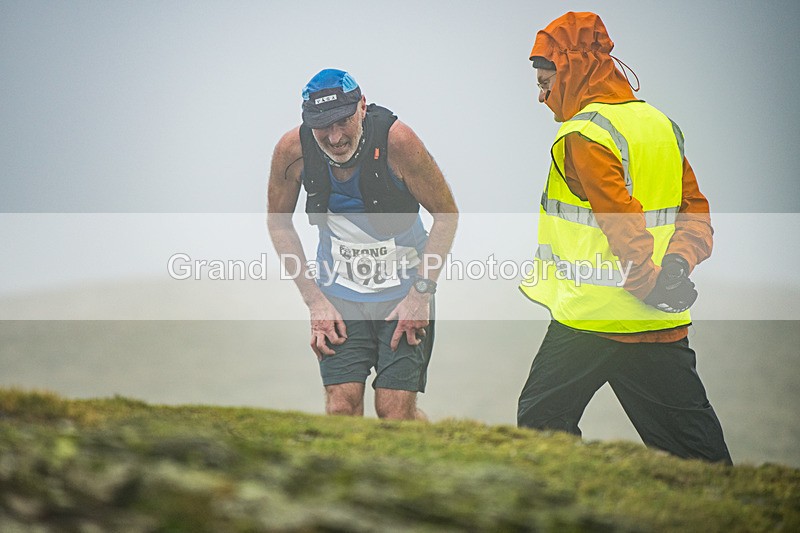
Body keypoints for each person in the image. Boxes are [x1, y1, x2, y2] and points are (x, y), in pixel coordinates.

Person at [517, 12, 732, 464]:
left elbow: (622, 221)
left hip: (592, 321)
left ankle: (576, 513)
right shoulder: (659, 124)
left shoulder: (584, 134)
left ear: (570, 69)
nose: (540, 97)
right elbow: (693, 212)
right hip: (657, 323)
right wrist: (675, 268)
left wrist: (649, 283)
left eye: (544, 83)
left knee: (540, 426)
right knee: (696, 453)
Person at [267, 69, 458, 420]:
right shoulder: (292, 150)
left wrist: (420, 297)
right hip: (338, 296)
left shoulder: (398, 143)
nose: (335, 136)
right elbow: (278, 222)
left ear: (362, 107)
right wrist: (315, 303)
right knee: (342, 407)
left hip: (404, 294)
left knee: (394, 412)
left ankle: (434, 452)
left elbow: (446, 214)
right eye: (322, 125)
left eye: (343, 120)